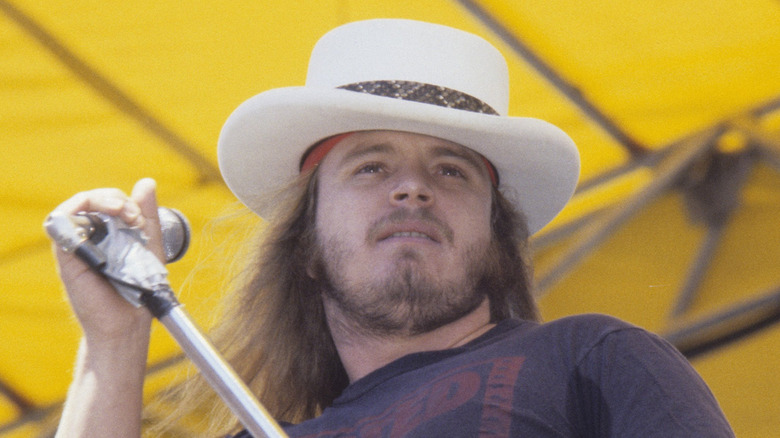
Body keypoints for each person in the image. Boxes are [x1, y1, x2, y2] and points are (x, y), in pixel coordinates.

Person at [49, 19, 734, 437]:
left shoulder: (597, 359)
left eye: (452, 171)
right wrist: (112, 347)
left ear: (497, 239)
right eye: (371, 167)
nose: (413, 187)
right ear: (308, 245)